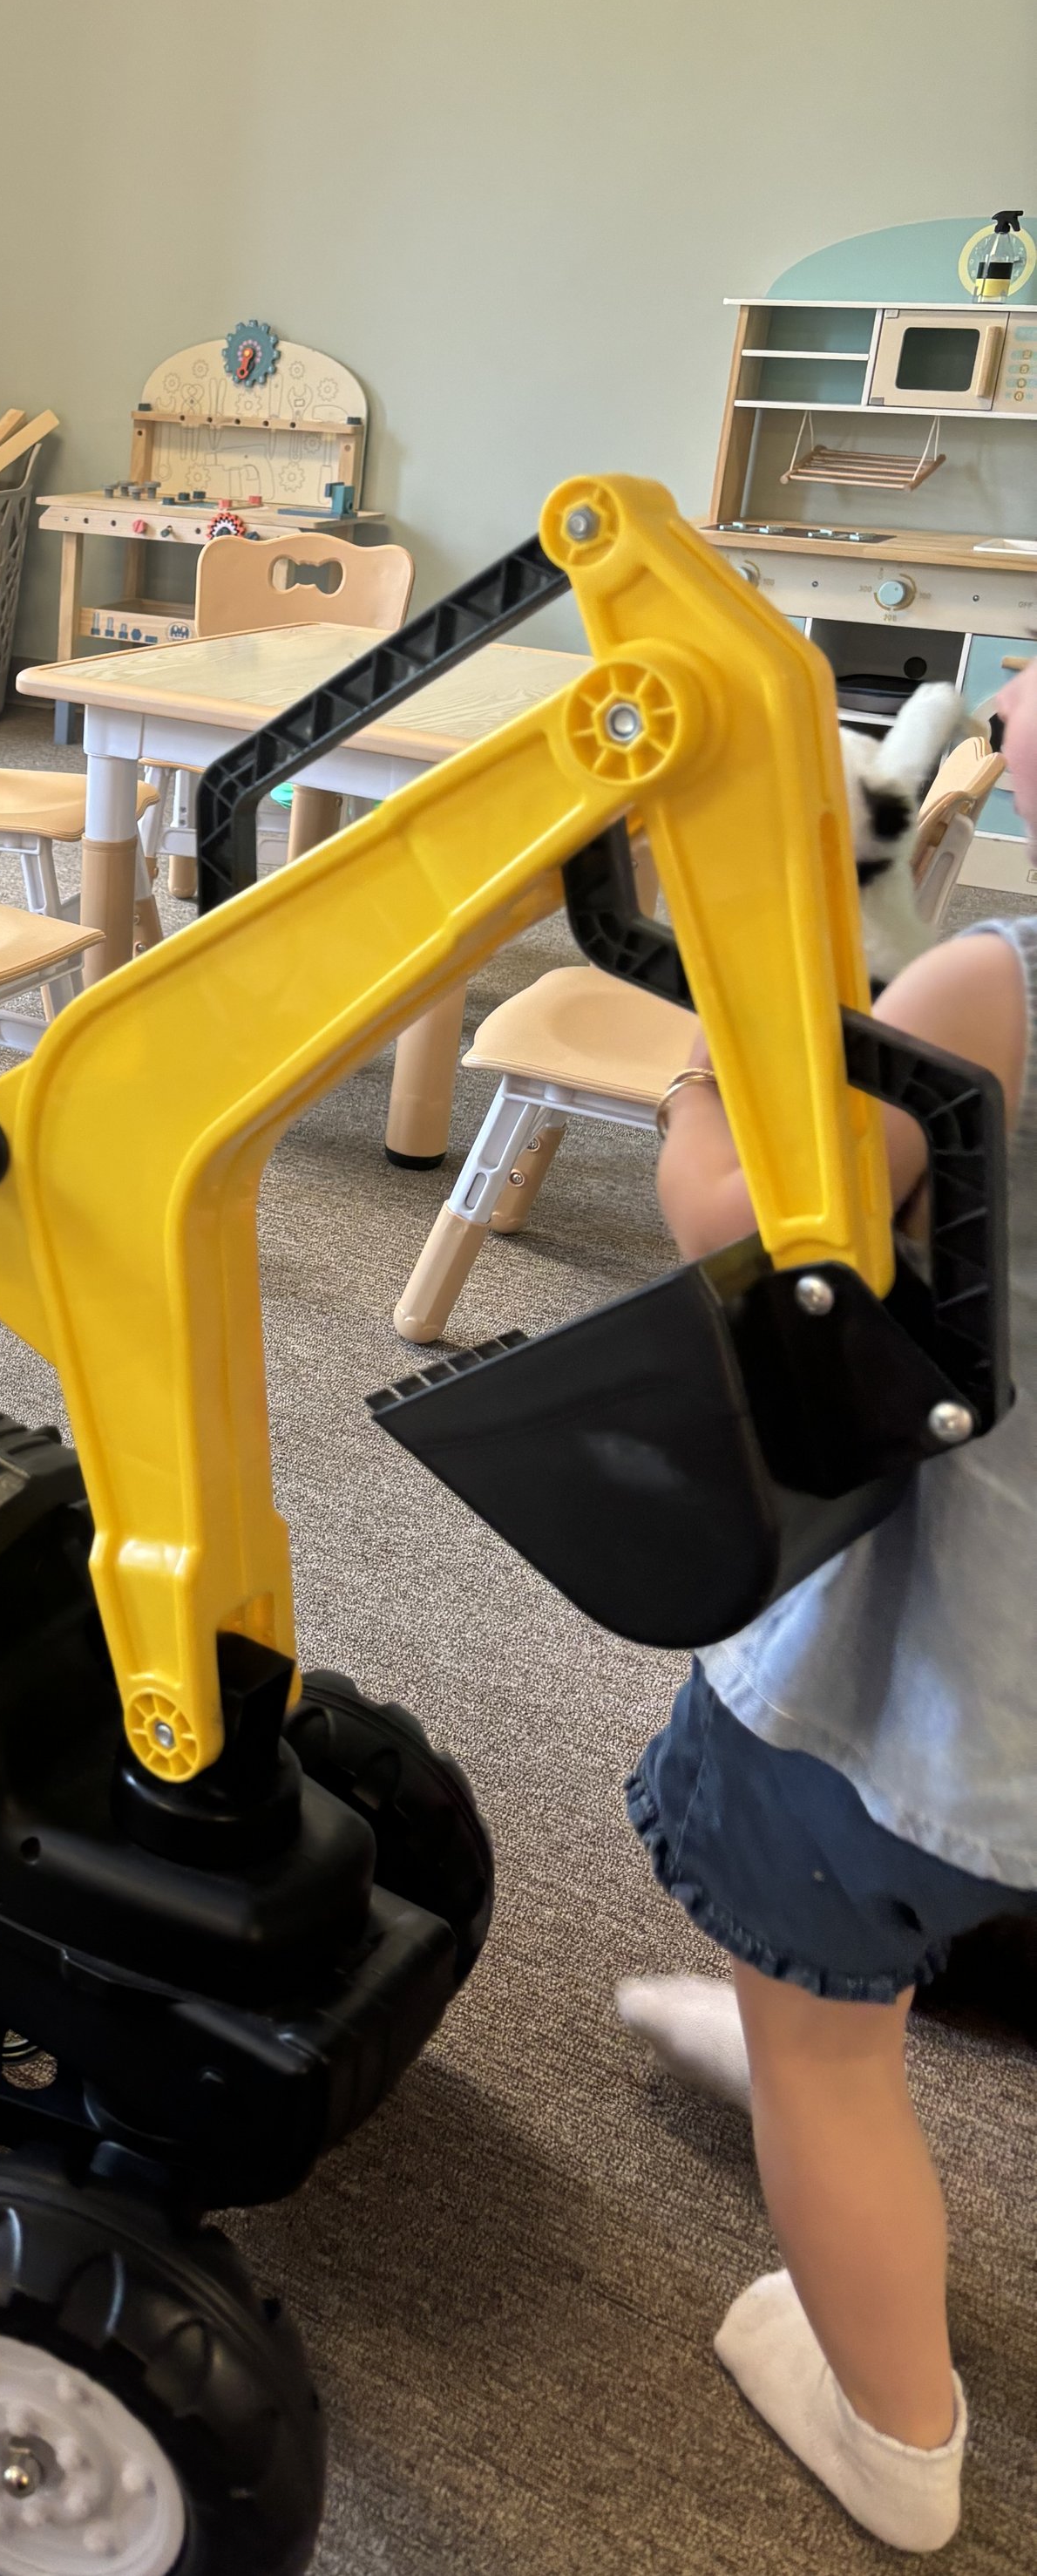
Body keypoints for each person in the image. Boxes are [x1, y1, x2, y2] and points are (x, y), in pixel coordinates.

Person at [626, 657, 1037, 2553]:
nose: (1009, 689)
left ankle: (891, 2429)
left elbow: (744, 1231)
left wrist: (703, 1074)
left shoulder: (992, 995)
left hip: (940, 1696)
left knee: (823, 2026)